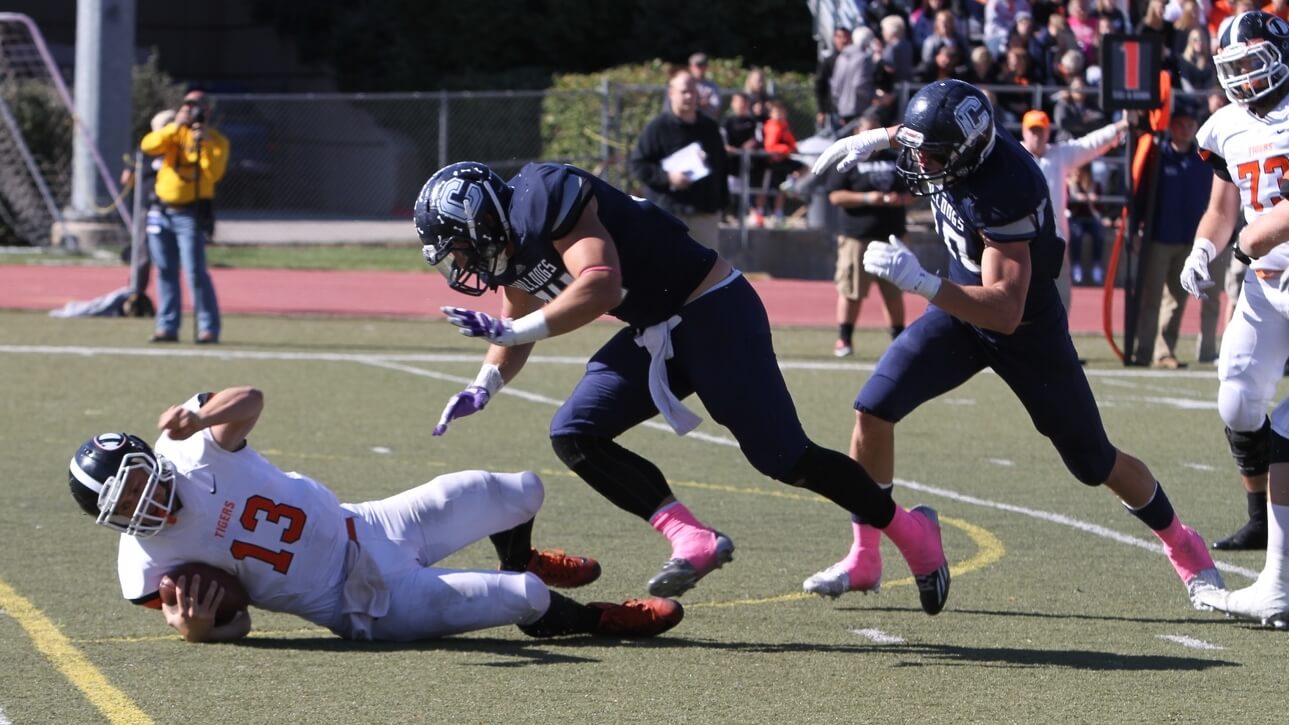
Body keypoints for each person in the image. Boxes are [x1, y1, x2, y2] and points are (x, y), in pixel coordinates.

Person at [413, 159, 950, 614]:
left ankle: (910, 531)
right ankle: (690, 536)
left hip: (714, 310)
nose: (459, 265)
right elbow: (518, 313)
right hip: (658, 329)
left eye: (457, 249)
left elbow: (601, 284)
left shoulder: (543, 198)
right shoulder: (511, 239)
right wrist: (484, 383)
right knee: (576, 433)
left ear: (480, 221)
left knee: (786, 458)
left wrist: (513, 329)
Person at [805, 79, 1223, 609]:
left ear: (964, 154)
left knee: (1094, 461)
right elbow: (928, 133)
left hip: (1023, 327)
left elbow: (1005, 309)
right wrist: (873, 137)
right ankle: (865, 555)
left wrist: (922, 283)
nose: (920, 161)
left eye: (929, 154)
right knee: (872, 410)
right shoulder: (958, 143)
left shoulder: (1007, 188)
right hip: (958, 312)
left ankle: (1185, 546)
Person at [67, 386, 683, 642]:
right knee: (522, 597)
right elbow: (239, 624)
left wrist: (200, 415)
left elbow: (251, 399)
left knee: (517, 488)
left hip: (369, 523)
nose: (140, 503)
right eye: (121, 504)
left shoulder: (193, 445)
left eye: (137, 483)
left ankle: (522, 553)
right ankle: (600, 619)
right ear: (107, 519)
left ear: (152, 461)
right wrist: (203, 632)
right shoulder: (147, 568)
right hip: (361, 600)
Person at [1181, 11, 1289, 627]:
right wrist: (1204, 249)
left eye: (1252, 63)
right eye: (1233, 69)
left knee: (1287, 435)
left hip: (1269, 261)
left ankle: (1278, 579)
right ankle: (1259, 521)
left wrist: (1246, 243)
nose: (1244, 79)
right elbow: (1223, 208)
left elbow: (1274, 217)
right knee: (1238, 402)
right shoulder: (1225, 124)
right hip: (1266, 284)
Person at [1018, 108, 1130, 316]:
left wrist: (1119, 127)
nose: (1037, 135)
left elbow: (1089, 144)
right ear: (1024, 132)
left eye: (1040, 130)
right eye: (1032, 130)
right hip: (1022, 243)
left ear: (1048, 131)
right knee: (1022, 301)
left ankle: (1059, 337)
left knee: (1061, 299)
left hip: (1056, 243)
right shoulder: (1015, 157)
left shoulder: (1058, 154)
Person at [140, 90, 229, 344]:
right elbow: (148, 146)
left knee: (194, 271)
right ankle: (167, 326)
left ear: (208, 112)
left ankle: (207, 327)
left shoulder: (218, 142)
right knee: (165, 270)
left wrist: (205, 143)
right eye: (188, 107)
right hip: (161, 211)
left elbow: (212, 174)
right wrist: (175, 126)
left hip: (190, 213)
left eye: (197, 107)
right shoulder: (174, 134)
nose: (192, 112)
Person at [823, 110, 910, 358]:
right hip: (856, 236)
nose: (871, 137)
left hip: (892, 235)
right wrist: (866, 198)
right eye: (867, 131)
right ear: (857, 133)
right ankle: (844, 338)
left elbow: (915, 192)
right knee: (851, 291)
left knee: (893, 292)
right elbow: (835, 196)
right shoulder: (850, 160)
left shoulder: (897, 158)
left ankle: (899, 340)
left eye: (876, 131)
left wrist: (900, 198)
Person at [1131, 104, 1211, 369]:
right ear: (1171, 126)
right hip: (1159, 238)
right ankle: (1143, 351)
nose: (1186, 130)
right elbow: (1140, 196)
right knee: (1151, 299)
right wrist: (1136, 231)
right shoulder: (1157, 156)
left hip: (1189, 240)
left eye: (1190, 125)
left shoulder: (1203, 160)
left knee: (1177, 299)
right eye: (1180, 124)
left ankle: (1165, 352)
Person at [629, 70, 728, 250]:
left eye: (693, 91)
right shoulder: (657, 128)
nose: (689, 96)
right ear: (671, 93)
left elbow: (722, 168)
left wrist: (721, 205)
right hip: (668, 213)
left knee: (707, 272)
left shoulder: (710, 128)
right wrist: (668, 177)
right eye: (684, 91)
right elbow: (638, 165)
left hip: (704, 215)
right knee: (666, 270)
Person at [1066, 164, 1106, 286]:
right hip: (1076, 218)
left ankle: (1096, 265)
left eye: (1082, 171)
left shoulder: (1094, 185)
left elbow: (1099, 208)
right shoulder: (1069, 184)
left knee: (1099, 232)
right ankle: (1076, 265)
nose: (1079, 174)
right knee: (1076, 234)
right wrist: (1077, 198)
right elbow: (1067, 206)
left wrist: (1091, 199)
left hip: (1090, 218)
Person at [815, 26, 852, 131]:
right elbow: (820, 86)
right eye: (839, 37)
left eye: (846, 37)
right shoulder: (828, 61)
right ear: (834, 39)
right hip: (836, 110)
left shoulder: (857, 59)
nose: (843, 40)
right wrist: (821, 110)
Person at [687, 52, 722, 121]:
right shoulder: (685, 84)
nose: (701, 68)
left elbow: (716, 107)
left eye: (703, 65)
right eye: (698, 65)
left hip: (706, 123)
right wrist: (699, 103)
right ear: (691, 67)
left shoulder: (712, 85)